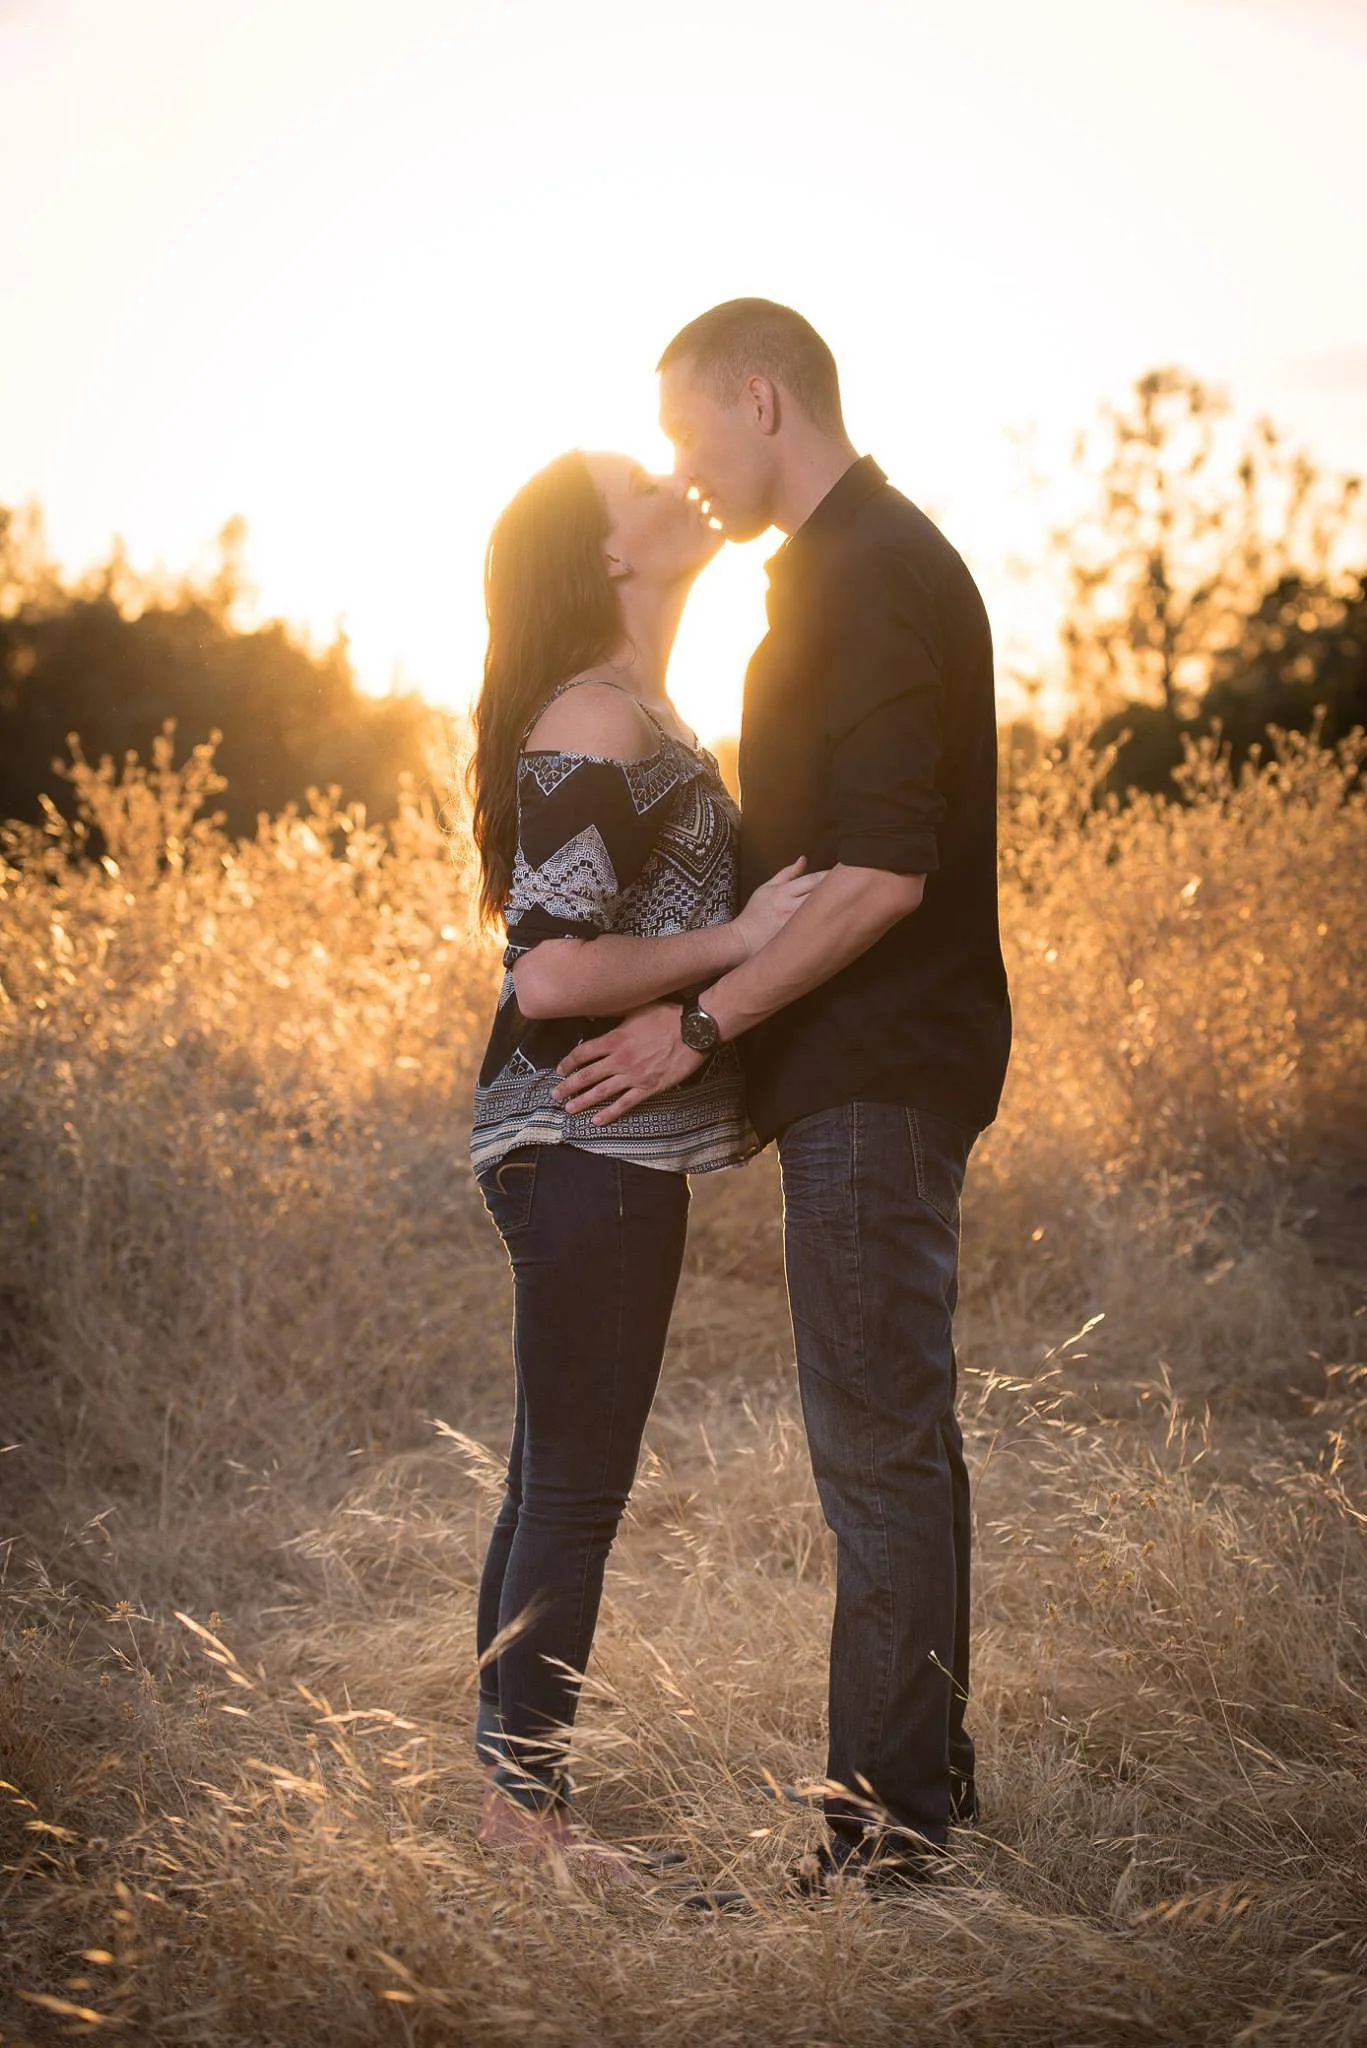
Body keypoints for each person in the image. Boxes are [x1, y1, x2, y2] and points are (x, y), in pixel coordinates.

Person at [553, 300, 1012, 1891]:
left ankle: (883, 1844)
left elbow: (883, 872)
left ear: (761, 400)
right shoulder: (838, 573)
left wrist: (697, 1023)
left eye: (688, 433)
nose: (685, 469)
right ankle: (925, 1793)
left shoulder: (866, 571)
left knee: (876, 1451)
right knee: (906, 1446)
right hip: (871, 1066)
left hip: (877, 1068)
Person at [467, 446, 821, 1870]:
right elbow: (548, 978)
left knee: (548, 1474)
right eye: (637, 483)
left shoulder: (632, 710)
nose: (676, 484)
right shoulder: (596, 718)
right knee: (571, 1487)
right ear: (603, 555)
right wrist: (738, 944)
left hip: (586, 1143)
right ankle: (526, 1823)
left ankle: (512, 1809)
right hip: (579, 1131)